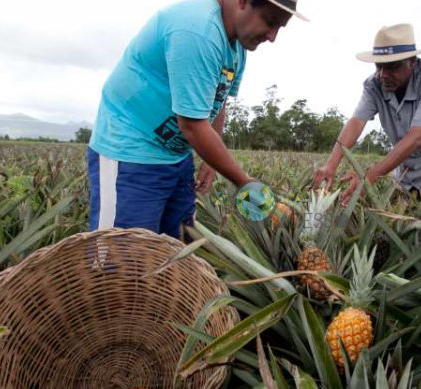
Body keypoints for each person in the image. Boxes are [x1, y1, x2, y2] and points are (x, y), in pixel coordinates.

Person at [87, 0, 307, 238]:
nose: (272, 36)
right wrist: (245, 183)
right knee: (123, 256)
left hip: (176, 155)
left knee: (177, 244)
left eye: (279, 28)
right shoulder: (198, 31)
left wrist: (211, 162)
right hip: (130, 152)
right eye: (270, 21)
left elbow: (219, 99)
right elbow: (192, 125)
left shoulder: (237, 45)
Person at [312, 23, 421, 206]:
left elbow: (416, 137)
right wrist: (330, 165)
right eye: (378, 67)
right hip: (408, 174)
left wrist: (369, 177)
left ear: (412, 61)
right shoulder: (374, 85)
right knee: (396, 226)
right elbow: (356, 123)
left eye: (392, 67)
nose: (383, 75)